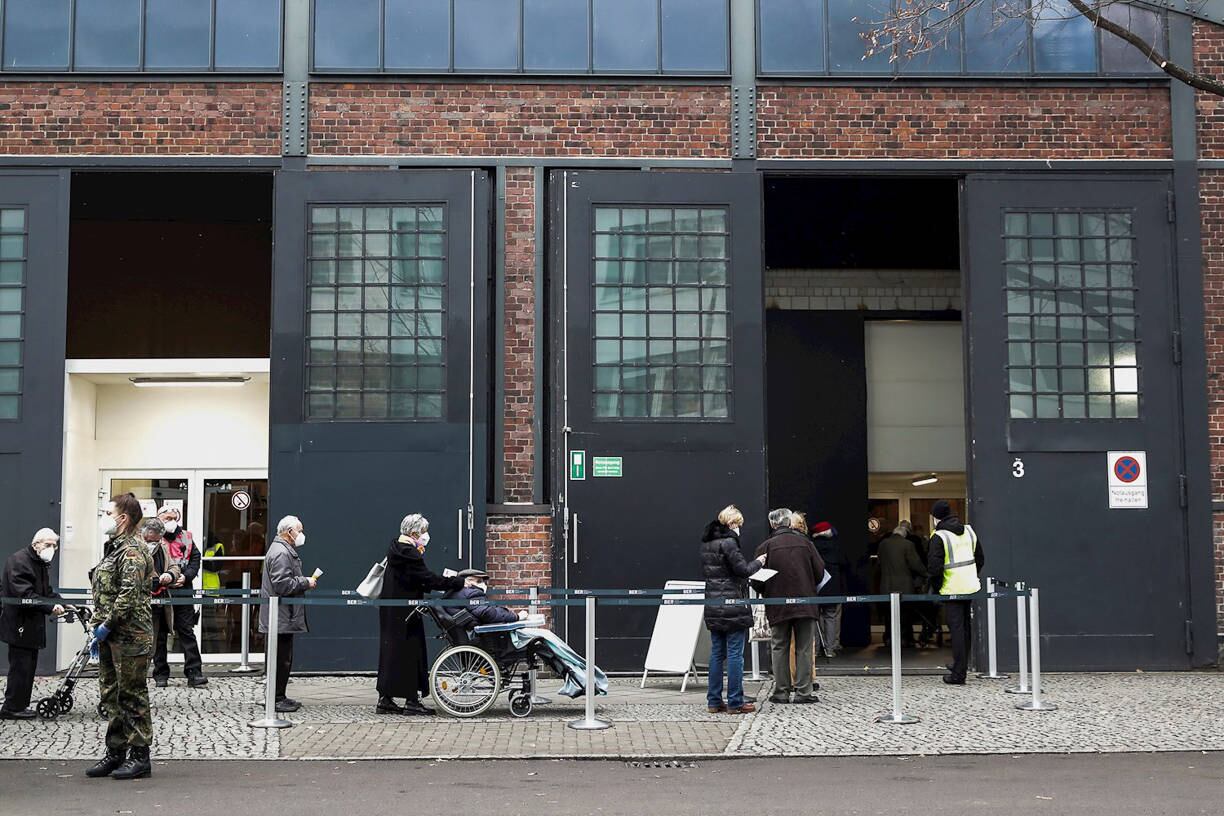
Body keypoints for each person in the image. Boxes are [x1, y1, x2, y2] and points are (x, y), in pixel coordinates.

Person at [86, 494, 156, 781]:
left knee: (131, 694)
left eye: (107, 512)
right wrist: (100, 626)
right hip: (111, 634)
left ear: (122, 518)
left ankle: (139, 756)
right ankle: (115, 752)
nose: (104, 517)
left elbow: (127, 595)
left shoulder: (132, 551)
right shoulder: (113, 548)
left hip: (130, 635)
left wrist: (108, 624)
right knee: (111, 694)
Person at [376, 513, 465, 716]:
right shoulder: (410, 554)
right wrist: (456, 582)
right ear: (415, 532)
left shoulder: (395, 549)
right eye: (424, 531)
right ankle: (412, 701)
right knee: (411, 653)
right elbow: (427, 579)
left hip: (391, 611)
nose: (426, 535)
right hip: (408, 612)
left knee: (390, 653)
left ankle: (385, 699)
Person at [700, 505, 765, 715]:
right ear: (732, 524)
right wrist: (759, 562)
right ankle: (735, 701)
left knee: (717, 654)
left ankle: (714, 700)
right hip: (732, 604)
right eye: (738, 524)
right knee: (735, 654)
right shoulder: (729, 543)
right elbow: (743, 570)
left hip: (712, 603)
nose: (740, 529)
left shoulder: (707, 544)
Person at [755, 509, 824, 705]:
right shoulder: (806, 544)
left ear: (773, 524)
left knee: (779, 646)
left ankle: (781, 692)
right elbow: (819, 572)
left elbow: (757, 580)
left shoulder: (765, 547)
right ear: (789, 522)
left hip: (777, 604)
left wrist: (766, 590)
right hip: (805, 603)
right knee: (803, 647)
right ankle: (803, 692)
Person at [0, 528, 66, 720]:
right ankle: (12, 707)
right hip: (20, 623)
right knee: (20, 668)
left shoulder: (39, 562)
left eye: (54, 545)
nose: (52, 549)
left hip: (30, 624)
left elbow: (47, 592)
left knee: (28, 667)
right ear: (36, 544)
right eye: (48, 545)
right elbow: (25, 594)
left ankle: (20, 704)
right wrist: (51, 608)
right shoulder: (20, 562)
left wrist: (62, 602)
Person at [258, 515, 318, 713]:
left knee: (283, 658)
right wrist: (305, 582)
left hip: (283, 615)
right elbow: (282, 584)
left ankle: (279, 696)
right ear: (288, 532)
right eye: (299, 531)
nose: (301, 534)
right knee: (280, 659)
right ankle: (275, 699)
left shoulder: (282, 550)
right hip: (281, 615)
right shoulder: (282, 553)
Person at [926, 500, 983, 685]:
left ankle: (959, 674)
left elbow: (934, 568)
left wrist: (937, 587)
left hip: (951, 588)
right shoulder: (969, 530)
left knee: (957, 629)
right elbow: (980, 558)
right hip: (969, 586)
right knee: (965, 628)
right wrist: (970, 576)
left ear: (936, 517)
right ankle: (961, 664)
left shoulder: (939, 536)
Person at [878, 525, 928, 648]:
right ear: (904, 534)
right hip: (904, 586)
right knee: (905, 614)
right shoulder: (908, 544)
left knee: (889, 614)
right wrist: (926, 573)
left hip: (886, 585)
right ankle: (904, 639)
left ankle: (889, 638)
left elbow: (879, 562)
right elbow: (915, 564)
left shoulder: (883, 544)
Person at [811, 521, 845, 658]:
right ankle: (830, 649)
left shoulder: (811, 546)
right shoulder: (836, 546)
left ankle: (816, 649)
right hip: (833, 586)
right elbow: (844, 562)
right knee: (831, 617)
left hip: (815, 586)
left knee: (815, 619)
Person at [444, 569, 525, 625]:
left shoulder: (455, 593)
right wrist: (516, 616)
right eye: (478, 581)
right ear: (468, 581)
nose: (483, 584)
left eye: (483, 581)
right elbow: (487, 613)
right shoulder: (471, 593)